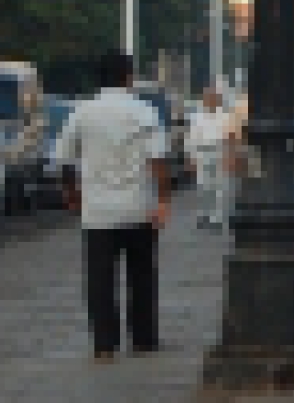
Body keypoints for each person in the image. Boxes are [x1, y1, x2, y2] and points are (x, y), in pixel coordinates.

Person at [51, 53, 171, 361]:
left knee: (100, 279)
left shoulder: (83, 112)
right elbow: (158, 161)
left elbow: (64, 156)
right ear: (128, 77)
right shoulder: (145, 112)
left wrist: (71, 192)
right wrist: (163, 201)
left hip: (98, 210)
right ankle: (143, 338)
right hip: (138, 206)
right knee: (142, 275)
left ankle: (104, 344)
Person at [185, 87, 238, 228]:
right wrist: (191, 156)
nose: (210, 100)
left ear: (218, 99)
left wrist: (231, 156)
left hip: (221, 150)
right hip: (202, 151)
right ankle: (203, 214)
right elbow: (191, 137)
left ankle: (218, 218)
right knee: (203, 185)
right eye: (207, 98)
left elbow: (232, 137)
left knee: (221, 186)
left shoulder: (226, 116)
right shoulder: (197, 116)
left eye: (214, 98)